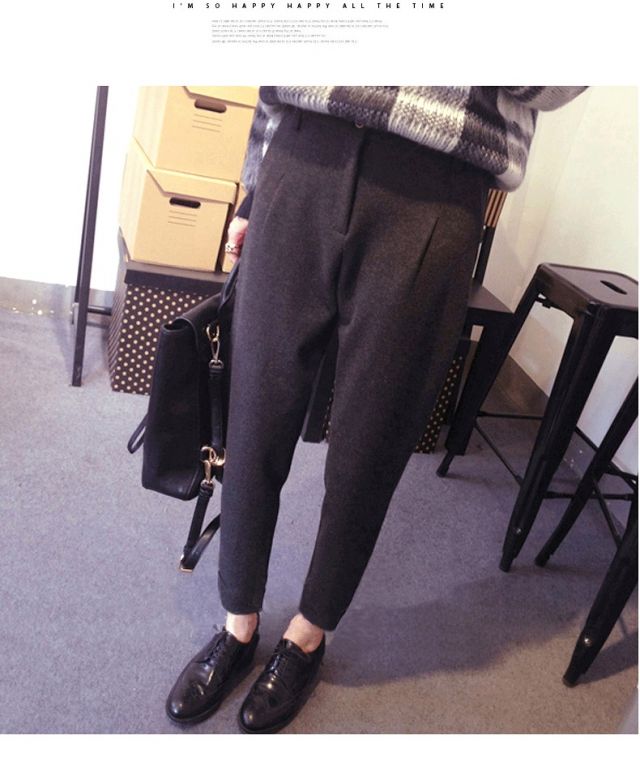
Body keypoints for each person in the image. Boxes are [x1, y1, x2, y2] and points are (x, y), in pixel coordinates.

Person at [166, 86, 587, 733]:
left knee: (372, 441)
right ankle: (238, 622)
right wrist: (254, 186)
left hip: (437, 180)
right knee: (255, 418)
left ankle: (309, 635)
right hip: (303, 149)